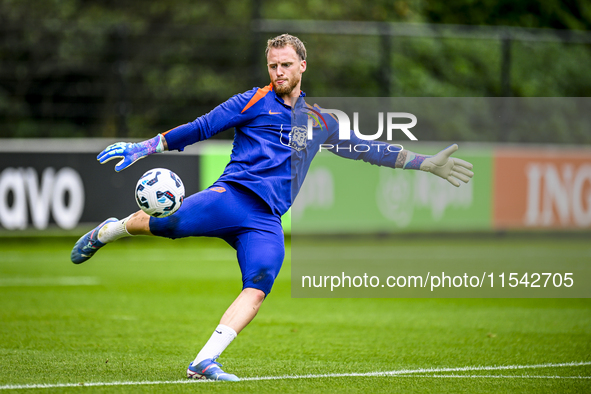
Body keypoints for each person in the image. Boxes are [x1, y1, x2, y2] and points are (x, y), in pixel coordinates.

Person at [70, 34, 474, 382]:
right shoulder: (252, 101)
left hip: (265, 220)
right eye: (272, 65)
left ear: (302, 65)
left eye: (285, 65)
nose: (278, 71)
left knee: (260, 283)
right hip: (231, 197)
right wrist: (145, 147)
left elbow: (367, 149)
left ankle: (202, 361)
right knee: (169, 225)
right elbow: (200, 127)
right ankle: (110, 230)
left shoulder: (319, 121)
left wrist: (425, 163)